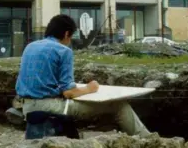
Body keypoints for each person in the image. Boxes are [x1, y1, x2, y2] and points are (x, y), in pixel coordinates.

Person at [15, 14, 150, 137]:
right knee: (118, 105)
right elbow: (69, 93)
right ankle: (148, 139)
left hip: (26, 106)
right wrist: (90, 88)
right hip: (48, 106)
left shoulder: (30, 47)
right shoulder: (63, 51)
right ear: (67, 34)